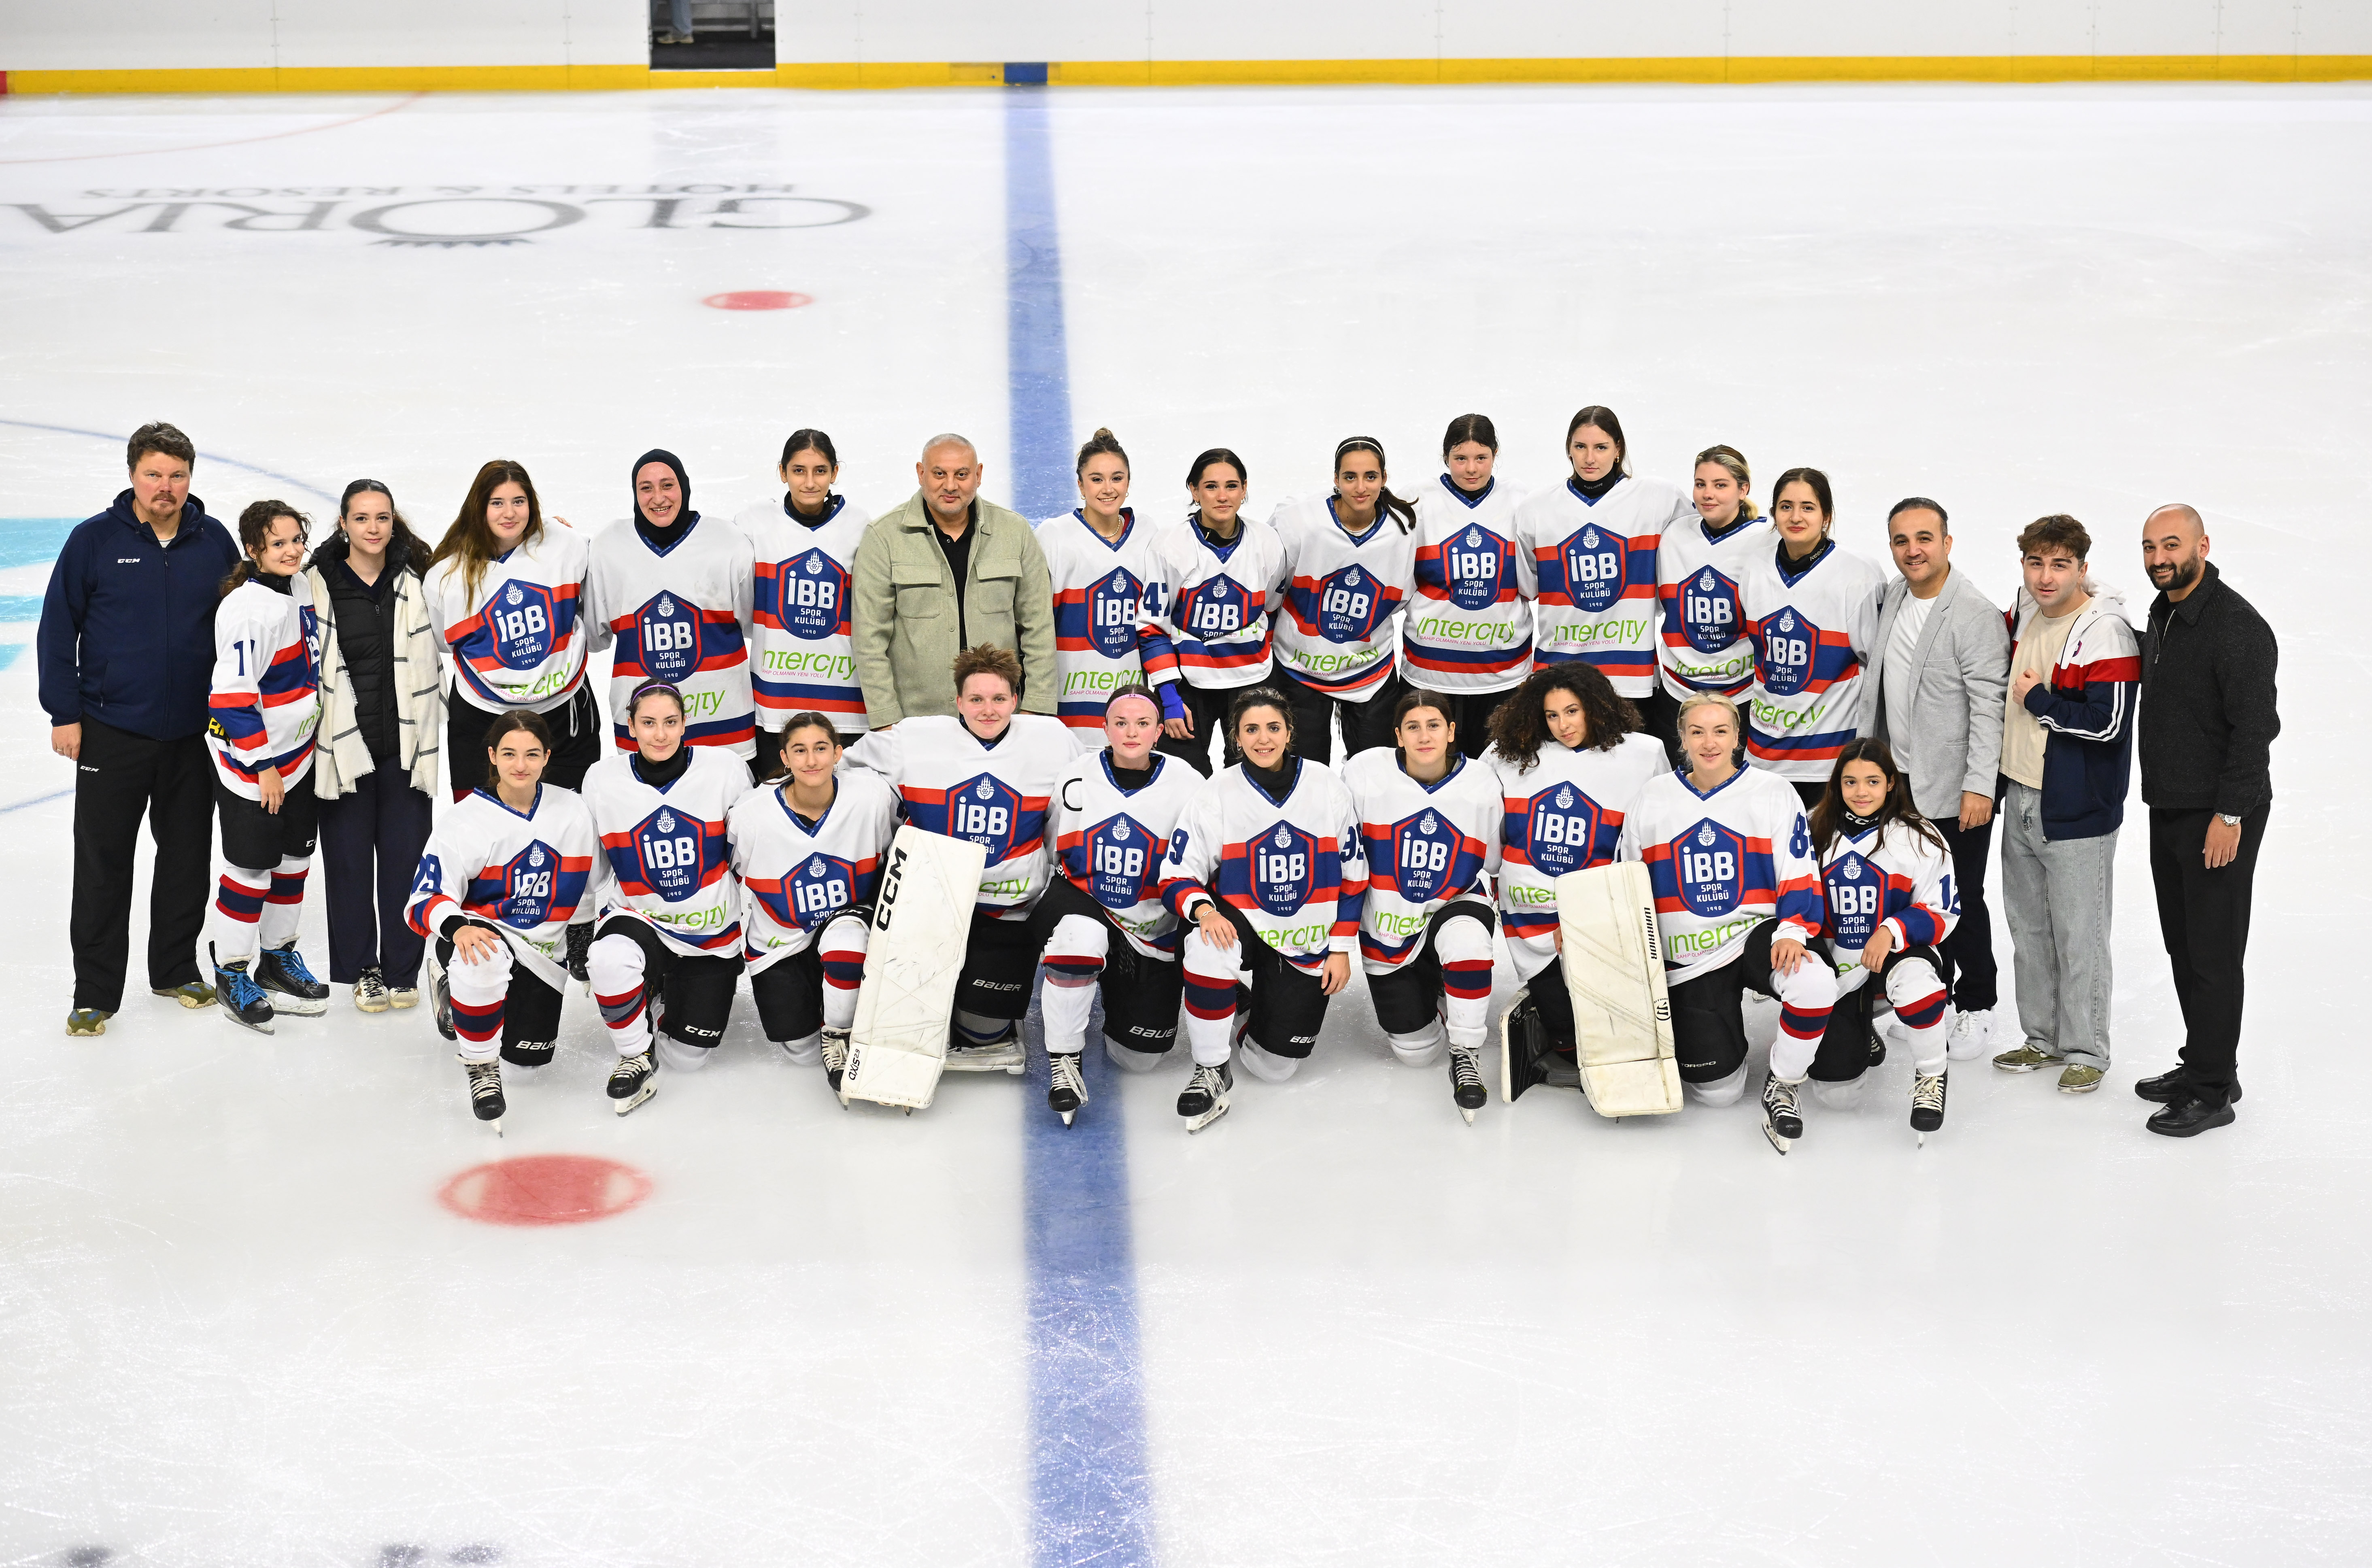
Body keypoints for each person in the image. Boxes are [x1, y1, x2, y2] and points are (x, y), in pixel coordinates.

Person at [40, 421, 241, 1036]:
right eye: (154, 474)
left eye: (177, 475)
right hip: (111, 729)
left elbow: (243, 623)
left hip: (193, 734)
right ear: (133, 475)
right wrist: (65, 713)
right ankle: (95, 991)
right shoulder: (94, 541)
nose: (166, 487)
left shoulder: (214, 541)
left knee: (187, 856)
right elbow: (58, 629)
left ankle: (175, 968)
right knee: (103, 864)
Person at [1619, 692, 1837, 1153]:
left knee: (1815, 982)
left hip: (1758, 935)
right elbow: (1628, 882)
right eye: (1697, 732)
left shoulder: (1773, 791)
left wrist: (1793, 929)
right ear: (1681, 739)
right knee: (1718, 1094)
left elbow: (1798, 869)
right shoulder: (1652, 798)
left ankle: (1784, 1082)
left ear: (1738, 737)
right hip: (1689, 958)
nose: (1709, 742)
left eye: (1720, 731)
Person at [843, 644, 1076, 1067]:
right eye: (976, 699)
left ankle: (970, 1002)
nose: (988, 710)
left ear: (1016, 700)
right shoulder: (912, 739)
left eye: (999, 698)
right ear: (958, 702)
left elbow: (1082, 800)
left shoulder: (1053, 741)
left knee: (982, 1034)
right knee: (910, 1025)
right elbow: (842, 773)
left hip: (1006, 911)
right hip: (931, 908)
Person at [1155, 688, 1369, 1130]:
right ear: (1235, 738)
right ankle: (1211, 1068)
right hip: (1243, 920)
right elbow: (1176, 873)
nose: (1263, 738)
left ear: (1290, 732)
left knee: (1273, 1067)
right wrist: (1204, 911)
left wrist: (1341, 947)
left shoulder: (1326, 785)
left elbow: (1354, 876)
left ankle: (1241, 1005)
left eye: (1273, 728)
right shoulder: (1217, 791)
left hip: (1307, 934)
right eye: (1251, 729)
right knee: (1206, 946)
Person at [2132, 503, 2278, 1137]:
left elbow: (2256, 730)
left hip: (2217, 812)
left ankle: (2212, 1092)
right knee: (2184, 945)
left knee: (2213, 953)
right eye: (2149, 547)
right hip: (2169, 802)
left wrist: (2230, 814)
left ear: (2202, 545)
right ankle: (2207, 1063)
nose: (2159, 558)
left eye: (2172, 544)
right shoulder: (2163, 613)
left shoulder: (2237, 626)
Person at [1989, 514, 2138, 1095]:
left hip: (2078, 810)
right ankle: (2043, 1037)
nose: (2045, 577)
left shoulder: (2106, 631)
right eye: (2036, 563)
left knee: (2080, 936)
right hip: (2021, 796)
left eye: (2059, 565)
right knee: (2029, 931)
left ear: (2082, 567)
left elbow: (2110, 723)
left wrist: (2040, 700)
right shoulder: (2025, 610)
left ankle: (2087, 1050)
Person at [405, 710, 604, 1131]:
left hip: (543, 953)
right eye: (510, 754)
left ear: (547, 757)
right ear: (493, 756)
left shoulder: (573, 810)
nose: (520, 765)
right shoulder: (465, 820)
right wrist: (457, 927)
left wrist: (582, 942)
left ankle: (464, 1003)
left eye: (532, 754)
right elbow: (422, 899)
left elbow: (591, 885)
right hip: (482, 932)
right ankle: (480, 1065)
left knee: (525, 1069)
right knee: (484, 959)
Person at [1485, 662, 1668, 1095]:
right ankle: (1544, 1015)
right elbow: (1489, 831)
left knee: (1615, 1023)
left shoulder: (1642, 755)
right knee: (1568, 1038)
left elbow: (1655, 835)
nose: (1563, 725)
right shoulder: (1507, 754)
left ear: (1595, 706)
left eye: (1572, 711)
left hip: (1600, 908)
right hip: (1530, 911)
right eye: (1552, 715)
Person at [1869, 496, 2009, 1060]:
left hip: (1956, 786)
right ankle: (1936, 998)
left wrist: (1980, 786)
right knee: (1916, 895)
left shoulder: (1973, 613)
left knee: (1962, 896)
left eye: (1924, 538)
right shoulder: (1895, 595)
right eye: (1901, 540)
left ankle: (1977, 1004)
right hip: (1903, 780)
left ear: (1948, 543)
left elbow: (1990, 706)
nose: (1913, 550)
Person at [581, 680, 754, 1115]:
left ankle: (655, 993)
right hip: (640, 918)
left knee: (687, 1059)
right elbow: (593, 868)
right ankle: (635, 1054)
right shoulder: (602, 780)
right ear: (631, 727)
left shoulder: (725, 769)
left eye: (670, 722)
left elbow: (747, 849)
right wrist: (579, 929)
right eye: (648, 723)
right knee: (608, 959)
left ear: (685, 723)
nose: (660, 734)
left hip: (709, 933)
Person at [305, 479, 444, 1013]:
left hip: (406, 748)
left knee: (407, 863)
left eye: (382, 517)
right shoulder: (316, 583)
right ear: (343, 523)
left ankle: (403, 969)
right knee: (348, 866)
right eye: (361, 518)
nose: (373, 527)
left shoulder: (417, 576)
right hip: (343, 751)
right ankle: (364, 969)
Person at [1038, 684, 1199, 1122]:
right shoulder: (1076, 775)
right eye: (1121, 723)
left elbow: (1200, 863)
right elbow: (1053, 846)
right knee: (1079, 939)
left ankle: (1116, 983)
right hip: (1084, 899)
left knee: (1139, 1059)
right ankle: (1065, 1059)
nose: (1131, 732)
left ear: (1159, 731)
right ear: (1105, 728)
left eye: (1142, 723)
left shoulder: (1188, 782)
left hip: (1151, 922)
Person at [202, 501, 332, 1033]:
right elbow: (230, 698)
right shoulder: (248, 610)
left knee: (294, 862)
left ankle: (277, 959)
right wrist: (264, 766)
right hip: (254, 767)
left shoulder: (299, 586)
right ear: (254, 549)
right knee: (250, 869)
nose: (292, 550)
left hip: (297, 758)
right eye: (278, 543)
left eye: (297, 539)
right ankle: (231, 971)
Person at [1345, 687, 1504, 1121]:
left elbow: (1492, 861)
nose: (1424, 735)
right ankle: (1438, 989)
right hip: (1388, 921)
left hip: (1455, 901)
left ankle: (1466, 1052)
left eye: (1434, 725)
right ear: (1398, 736)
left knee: (1468, 941)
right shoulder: (1364, 774)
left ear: (1451, 731)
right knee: (1416, 1053)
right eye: (1412, 727)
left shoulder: (1480, 782)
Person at [729, 710, 899, 1095]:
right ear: (785, 758)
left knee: (846, 945)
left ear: (838, 753)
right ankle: (827, 1018)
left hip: (848, 922)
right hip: (780, 938)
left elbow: (897, 849)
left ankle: (839, 1033)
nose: (811, 760)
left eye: (821, 748)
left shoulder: (871, 796)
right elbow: (731, 873)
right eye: (800, 750)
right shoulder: (751, 814)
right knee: (801, 1052)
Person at [1802, 740, 1958, 1137]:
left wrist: (1891, 930)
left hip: (1894, 956)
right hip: (1836, 968)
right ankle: (1860, 1026)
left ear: (1890, 783)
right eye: (1850, 782)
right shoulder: (1811, 829)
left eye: (1872, 781)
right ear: (1837, 784)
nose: (1861, 792)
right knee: (1837, 1097)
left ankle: (1932, 1075)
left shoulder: (1920, 837)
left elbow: (1944, 910)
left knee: (1918, 987)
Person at [1514, 405, 1695, 745]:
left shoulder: (1659, 498)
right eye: (1580, 447)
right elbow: (1528, 585)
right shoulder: (1536, 508)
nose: (1589, 458)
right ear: (1568, 449)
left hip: (1631, 679)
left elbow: (1697, 545)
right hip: (1558, 678)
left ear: (1618, 450)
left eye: (1601, 447)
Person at [851, 433, 1057, 729]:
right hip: (916, 724)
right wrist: (887, 722)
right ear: (921, 473)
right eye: (939, 474)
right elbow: (869, 639)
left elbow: (1039, 628)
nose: (950, 485)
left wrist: (1035, 710)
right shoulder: (884, 538)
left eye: (962, 475)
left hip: (1001, 721)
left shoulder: (1016, 532)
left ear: (979, 475)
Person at [424, 459, 599, 797]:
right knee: (483, 821)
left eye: (519, 501)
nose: (510, 513)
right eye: (497, 503)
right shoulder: (447, 578)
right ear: (479, 507)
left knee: (568, 818)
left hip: (564, 713)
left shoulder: (564, 544)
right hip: (481, 716)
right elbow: (444, 641)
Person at [589, 448, 756, 764]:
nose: (658, 497)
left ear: (685, 487)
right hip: (648, 733)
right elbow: (596, 636)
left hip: (725, 727)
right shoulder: (608, 547)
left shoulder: (727, 542)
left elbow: (753, 621)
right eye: (646, 488)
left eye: (668, 485)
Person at [1266, 437, 1418, 763]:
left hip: (1371, 671)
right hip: (1300, 668)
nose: (1360, 487)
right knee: (1303, 773)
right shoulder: (1299, 522)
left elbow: (1402, 598)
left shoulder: (1404, 530)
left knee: (1376, 770)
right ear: (1335, 479)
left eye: (1370, 477)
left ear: (1384, 478)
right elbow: (1270, 588)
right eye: (1350, 477)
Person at [1741, 467, 1882, 807]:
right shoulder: (1755, 567)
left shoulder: (1859, 575)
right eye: (1786, 506)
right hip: (1763, 755)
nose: (1796, 517)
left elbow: (1876, 668)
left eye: (1808, 507)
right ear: (1773, 513)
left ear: (1826, 516)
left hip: (1829, 761)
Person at [1142, 447, 1288, 776]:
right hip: (1188, 685)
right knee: (1181, 777)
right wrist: (1169, 696)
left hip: (1252, 679)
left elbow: (1272, 610)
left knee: (1253, 779)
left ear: (1245, 489)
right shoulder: (1170, 545)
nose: (1223, 496)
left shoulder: (1266, 541)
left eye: (1232, 486)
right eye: (1211, 487)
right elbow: (1153, 628)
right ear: (1194, 491)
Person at [736, 428, 874, 770]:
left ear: (835, 473)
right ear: (782, 472)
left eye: (820, 471)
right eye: (799, 471)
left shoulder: (860, 526)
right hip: (776, 703)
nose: (810, 482)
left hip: (844, 703)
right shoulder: (755, 523)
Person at [1036, 429, 1174, 750]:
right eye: (1096, 479)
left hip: (1129, 711)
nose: (1108, 488)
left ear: (1129, 482)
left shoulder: (1148, 532)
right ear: (1080, 485)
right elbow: (1034, 627)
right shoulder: (1053, 536)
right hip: (1066, 709)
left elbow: (1154, 624)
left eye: (1117, 478)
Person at [1404, 414, 1532, 758]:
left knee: (1498, 773)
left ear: (1496, 454)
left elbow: (1533, 581)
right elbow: (1396, 579)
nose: (1471, 469)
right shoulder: (1417, 500)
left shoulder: (1520, 500)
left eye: (1481, 458)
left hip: (1502, 674)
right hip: (1431, 674)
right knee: (1430, 771)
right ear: (1445, 456)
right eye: (1460, 458)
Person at [1653, 444, 1767, 764]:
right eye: (1700, 484)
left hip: (1739, 698)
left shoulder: (1766, 540)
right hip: (1676, 696)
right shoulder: (1674, 535)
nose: (1708, 494)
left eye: (1720, 485)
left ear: (1743, 489)